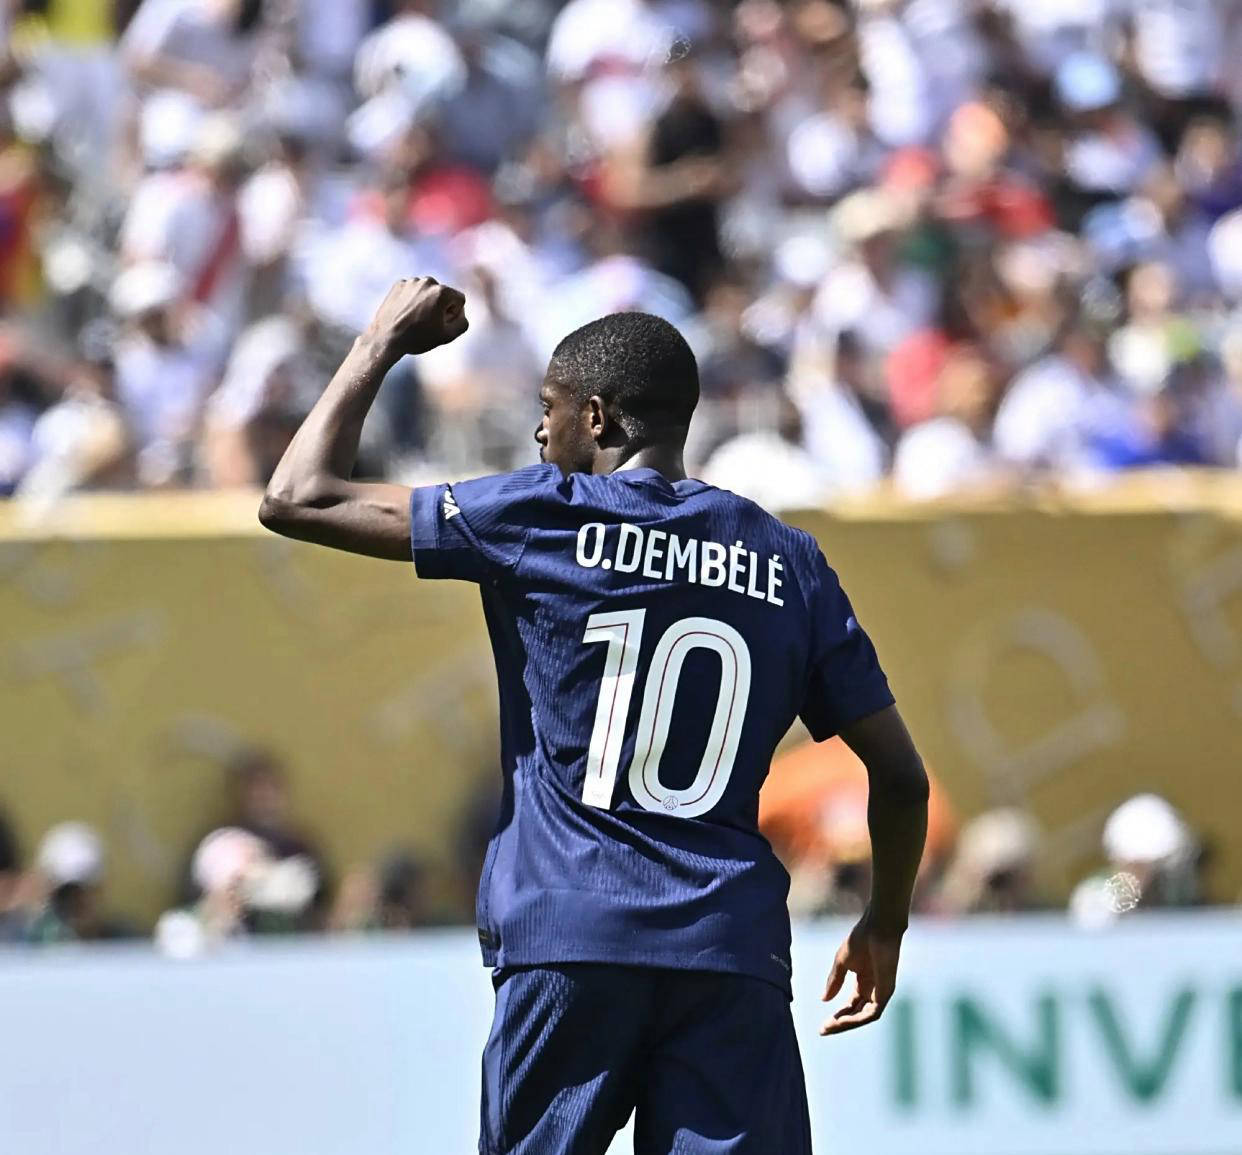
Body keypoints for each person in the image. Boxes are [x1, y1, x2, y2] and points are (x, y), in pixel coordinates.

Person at [258, 277, 929, 1155]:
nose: (542, 434)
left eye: (550, 409)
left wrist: (377, 341)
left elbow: (296, 496)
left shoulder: (540, 514)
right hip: (729, 949)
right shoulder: (790, 562)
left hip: (572, 936)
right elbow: (901, 776)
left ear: (599, 418)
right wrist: (884, 922)